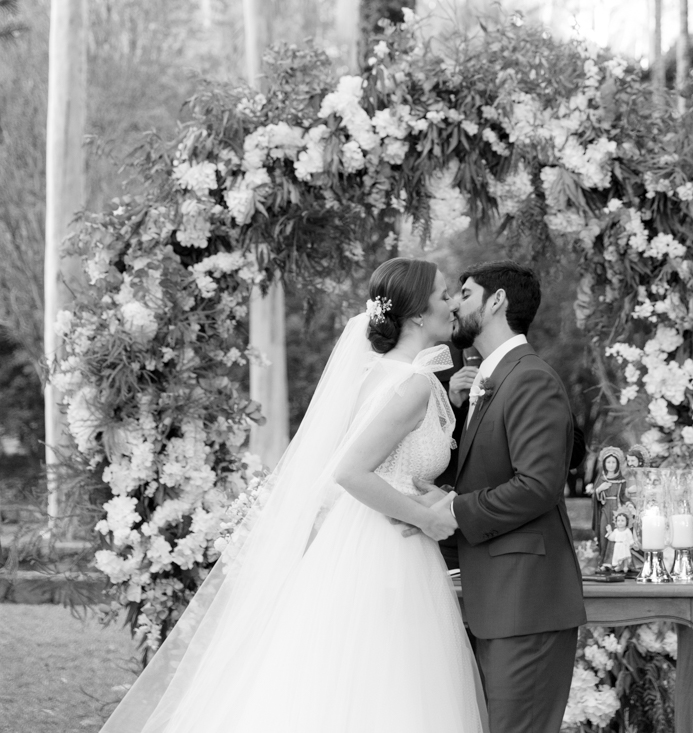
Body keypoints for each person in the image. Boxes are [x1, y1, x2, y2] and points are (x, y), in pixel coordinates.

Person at [96, 258, 487, 733]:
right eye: (445, 295)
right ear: (418, 316)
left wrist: (425, 498)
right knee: (389, 685)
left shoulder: (386, 373)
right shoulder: (410, 384)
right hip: (386, 553)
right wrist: (426, 517)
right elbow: (350, 471)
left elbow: (390, 468)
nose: (453, 305)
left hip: (371, 539)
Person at [427, 260, 586, 733]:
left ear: (498, 301)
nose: (454, 303)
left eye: (466, 293)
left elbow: (537, 486)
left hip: (526, 604)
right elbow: (484, 474)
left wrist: (452, 511)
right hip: (495, 600)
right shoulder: (489, 379)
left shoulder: (530, 377)